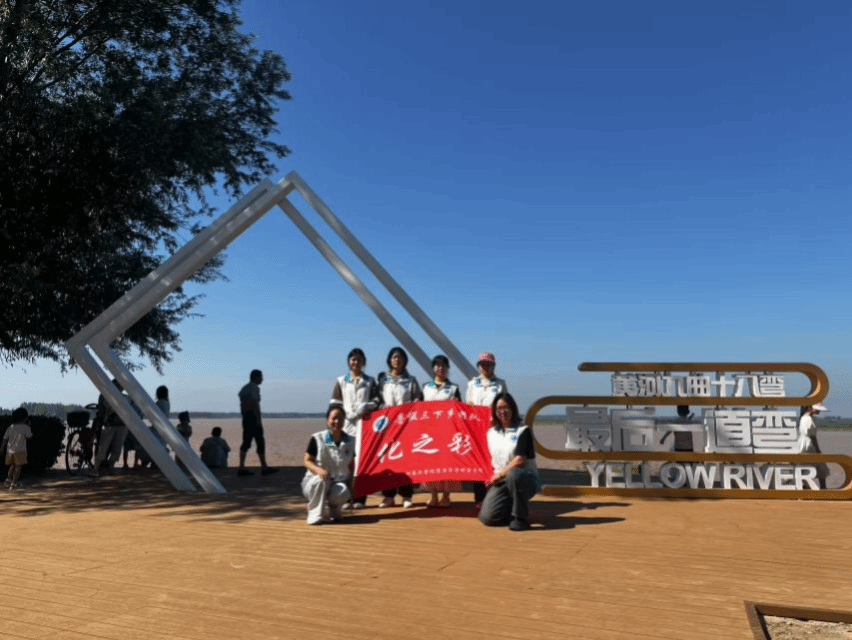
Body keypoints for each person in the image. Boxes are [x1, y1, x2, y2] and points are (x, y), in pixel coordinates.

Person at [479, 392, 539, 531]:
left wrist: (499, 475)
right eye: (499, 409)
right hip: (501, 481)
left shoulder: (523, 431)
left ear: (513, 409)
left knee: (514, 474)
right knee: (487, 518)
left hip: (524, 479)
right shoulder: (491, 433)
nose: (503, 412)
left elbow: (520, 460)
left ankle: (520, 519)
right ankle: (510, 508)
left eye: (506, 407)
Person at [330, 348, 379, 508]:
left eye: (358, 359)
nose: (355, 362)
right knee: (345, 463)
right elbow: (334, 403)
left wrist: (365, 407)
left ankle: (359, 499)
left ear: (363, 362)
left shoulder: (370, 381)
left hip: (365, 428)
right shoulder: (341, 381)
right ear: (349, 361)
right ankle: (345, 498)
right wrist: (342, 415)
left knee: (362, 464)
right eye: (353, 359)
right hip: (345, 427)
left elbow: (377, 401)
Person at [376, 346, 422, 508]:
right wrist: (383, 407)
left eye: (400, 357)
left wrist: (415, 403)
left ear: (405, 361)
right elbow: (377, 400)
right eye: (394, 357)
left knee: (406, 461)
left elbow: (418, 399)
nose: (397, 360)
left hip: (405, 426)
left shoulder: (411, 380)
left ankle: (407, 495)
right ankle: (388, 496)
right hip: (387, 426)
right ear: (390, 360)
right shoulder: (383, 380)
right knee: (387, 461)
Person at [465, 352, 508, 506]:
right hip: (477, 429)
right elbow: (468, 405)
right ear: (479, 366)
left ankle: (497, 496)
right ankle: (480, 498)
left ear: (493, 366)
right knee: (479, 462)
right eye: (483, 364)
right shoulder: (472, 384)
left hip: (495, 428)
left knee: (496, 461)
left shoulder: (500, 384)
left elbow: (504, 404)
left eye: (489, 364)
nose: (485, 367)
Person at [302, 405, 355, 525]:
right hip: (315, 481)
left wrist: (351, 486)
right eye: (334, 418)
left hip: (336, 482)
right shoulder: (318, 438)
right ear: (327, 420)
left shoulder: (351, 441)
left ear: (344, 421)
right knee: (322, 480)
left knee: (343, 491)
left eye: (340, 419)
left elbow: (352, 465)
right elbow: (307, 460)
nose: (337, 421)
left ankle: (333, 510)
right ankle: (315, 515)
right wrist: (318, 470)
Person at [422, 354, 463, 508]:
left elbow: (460, 409)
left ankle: (446, 495)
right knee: (430, 464)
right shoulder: (425, 387)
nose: (440, 368)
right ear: (433, 368)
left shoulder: (453, 388)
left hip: (448, 432)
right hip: (429, 432)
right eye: (437, 365)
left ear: (448, 368)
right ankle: (433, 495)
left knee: (447, 464)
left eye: (443, 365)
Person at [89, 379, 134, 477]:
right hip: (110, 424)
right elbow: (101, 409)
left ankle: (110, 467)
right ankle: (96, 468)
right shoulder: (105, 396)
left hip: (121, 425)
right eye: (119, 385)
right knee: (103, 447)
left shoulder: (126, 398)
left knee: (117, 448)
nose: (120, 387)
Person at [237, 369, 277, 476]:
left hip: (246, 418)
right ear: (255, 377)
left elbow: (243, 404)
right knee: (260, 442)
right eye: (261, 377)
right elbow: (254, 404)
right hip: (253, 418)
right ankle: (264, 467)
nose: (262, 379)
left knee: (246, 442)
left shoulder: (245, 388)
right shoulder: (254, 388)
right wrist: (258, 420)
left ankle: (241, 467)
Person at [799, 403, 830, 489]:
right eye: (817, 409)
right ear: (810, 408)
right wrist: (818, 450)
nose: (819, 411)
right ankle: (822, 488)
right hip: (809, 445)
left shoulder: (804, 418)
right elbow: (812, 436)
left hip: (803, 444)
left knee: (806, 468)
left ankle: (808, 487)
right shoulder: (808, 419)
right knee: (817, 467)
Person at [3, 407, 33, 490]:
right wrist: (29, 426)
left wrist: (2, 448)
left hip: (10, 450)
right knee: (18, 467)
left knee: (12, 465)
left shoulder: (10, 427)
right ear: (25, 418)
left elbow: (5, 439)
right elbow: (29, 437)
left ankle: (8, 480)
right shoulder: (25, 427)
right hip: (20, 450)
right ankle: (14, 483)